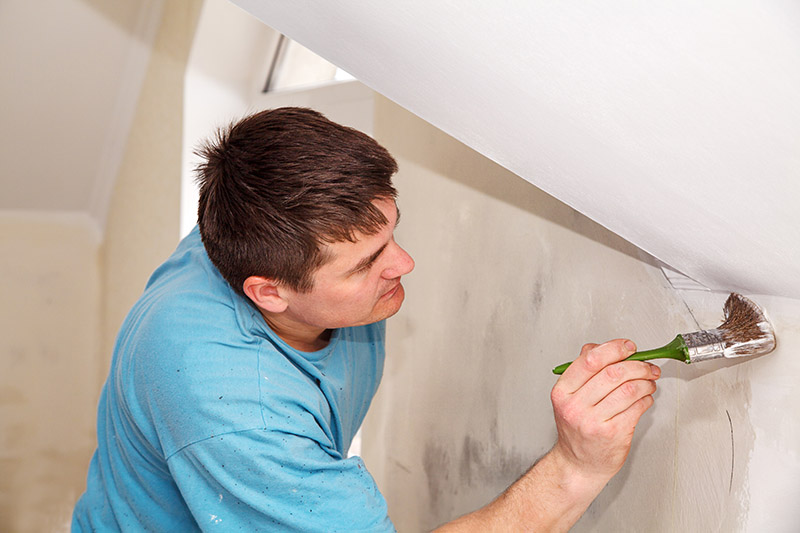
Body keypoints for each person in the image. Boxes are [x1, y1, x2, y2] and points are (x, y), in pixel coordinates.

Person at [72, 107, 660, 532]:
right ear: (269, 293)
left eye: (391, 231)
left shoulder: (244, 228)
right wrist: (575, 467)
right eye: (365, 265)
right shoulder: (239, 408)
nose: (404, 264)